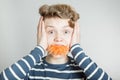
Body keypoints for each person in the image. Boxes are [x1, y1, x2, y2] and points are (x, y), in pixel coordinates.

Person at [0, 4, 112, 80]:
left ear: (75, 35)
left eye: (66, 32)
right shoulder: (29, 69)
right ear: (41, 34)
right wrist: (39, 48)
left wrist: (76, 48)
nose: (58, 38)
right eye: (51, 31)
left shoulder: (84, 70)